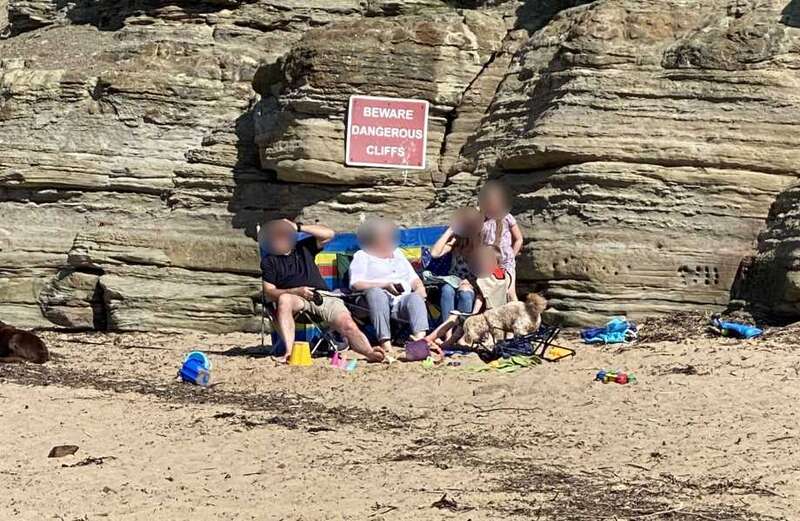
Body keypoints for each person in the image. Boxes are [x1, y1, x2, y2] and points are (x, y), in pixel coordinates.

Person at [260, 219, 385, 364]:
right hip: (296, 300)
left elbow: (329, 234)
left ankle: (369, 352)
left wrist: (298, 227)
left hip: (322, 296)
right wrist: (296, 291)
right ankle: (289, 352)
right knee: (284, 299)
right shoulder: (269, 261)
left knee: (347, 323)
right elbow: (269, 292)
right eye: (275, 237)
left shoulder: (303, 247)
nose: (279, 240)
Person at [349, 217, 429, 351]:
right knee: (377, 293)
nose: (387, 238)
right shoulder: (362, 255)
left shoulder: (397, 253)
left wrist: (420, 289)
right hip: (371, 302)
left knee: (415, 297)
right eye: (383, 236)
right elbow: (355, 283)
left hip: (400, 301)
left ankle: (419, 341)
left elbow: (413, 278)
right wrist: (385, 285)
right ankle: (385, 343)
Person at [423, 245, 513, 349]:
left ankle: (431, 340)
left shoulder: (485, 279)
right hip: (497, 315)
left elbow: (481, 298)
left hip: (488, 316)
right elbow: (507, 296)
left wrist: (473, 314)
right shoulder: (505, 275)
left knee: (454, 319)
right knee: (457, 319)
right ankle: (442, 342)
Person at [429, 207, 483, 320]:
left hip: (474, 283)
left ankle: (462, 331)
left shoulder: (480, 244)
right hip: (453, 280)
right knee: (447, 290)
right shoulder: (456, 242)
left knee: (465, 294)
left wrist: (470, 282)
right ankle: (446, 332)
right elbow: (434, 253)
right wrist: (450, 230)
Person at [479, 180, 523, 301]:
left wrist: (512, 255)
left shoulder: (507, 217)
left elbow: (518, 239)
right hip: (489, 262)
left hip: (506, 261)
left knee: (510, 292)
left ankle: (521, 316)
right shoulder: (482, 220)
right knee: (490, 292)